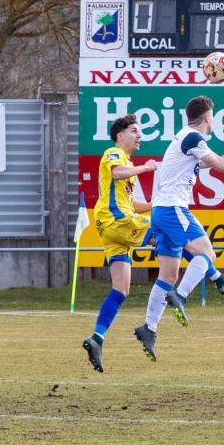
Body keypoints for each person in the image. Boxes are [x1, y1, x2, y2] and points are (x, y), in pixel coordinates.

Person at [134, 95, 224, 361]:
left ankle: (148, 328)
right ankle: (185, 296)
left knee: (168, 276)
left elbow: (212, 162)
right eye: (214, 116)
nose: (213, 121)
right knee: (207, 255)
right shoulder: (193, 138)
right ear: (208, 117)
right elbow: (219, 164)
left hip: (161, 212)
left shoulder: (186, 138)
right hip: (173, 209)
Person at [82, 115, 158, 373]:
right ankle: (214, 276)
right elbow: (117, 173)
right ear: (120, 136)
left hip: (115, 224)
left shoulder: (128, 165)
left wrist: (155, 204)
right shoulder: (113, 154)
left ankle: (97, 338)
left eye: (140, 131)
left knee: (122, 288)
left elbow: (132, 203)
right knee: (163, 229)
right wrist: (146, 168)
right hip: (114, 219)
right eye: (134, 131)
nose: (139, 135)